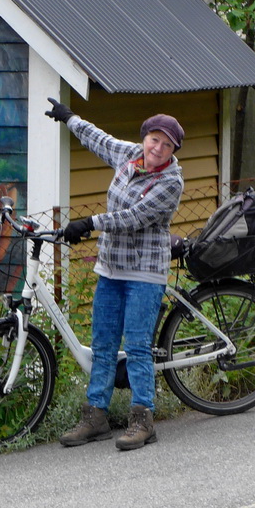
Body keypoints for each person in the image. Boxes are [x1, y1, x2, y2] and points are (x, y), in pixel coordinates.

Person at [45, 98, 184, 451]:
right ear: (145, 138)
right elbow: (98, 139)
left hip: (145, 272)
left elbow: (134, 218)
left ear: (172, 151)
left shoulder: (171, 182)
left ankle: (143, 419)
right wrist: (69, 118)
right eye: (155, 139)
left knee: (137, 347)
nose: (158, 148)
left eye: (167, 145)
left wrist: (90, 223)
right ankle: (95, 417)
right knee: (104, 345)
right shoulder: (129, 155)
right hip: (110, 268)